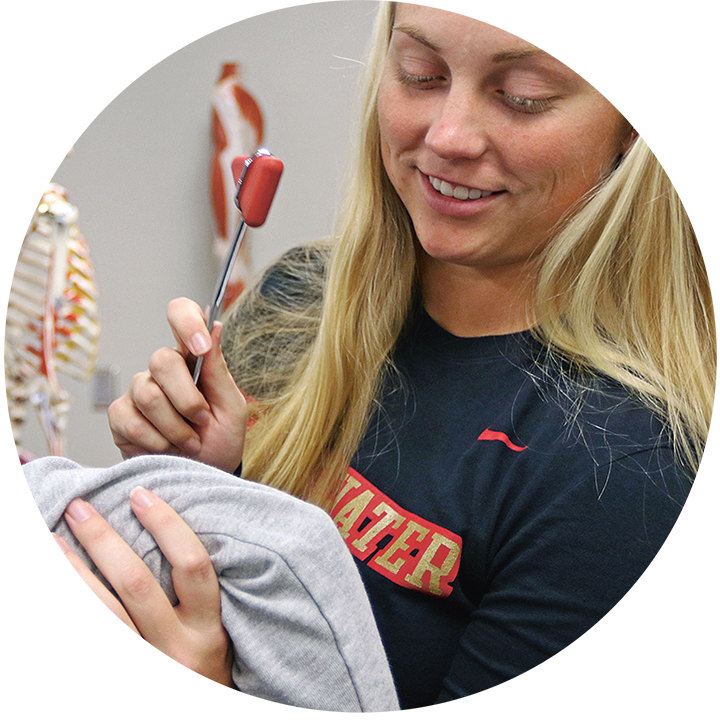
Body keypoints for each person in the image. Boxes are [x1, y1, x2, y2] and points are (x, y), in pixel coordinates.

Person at [10, 0, 716, 712]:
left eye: (521, 97)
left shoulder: (633, 472)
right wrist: (216, 484)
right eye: (420, 73)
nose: (447, 136)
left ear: (638, 119)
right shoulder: (299, 300)